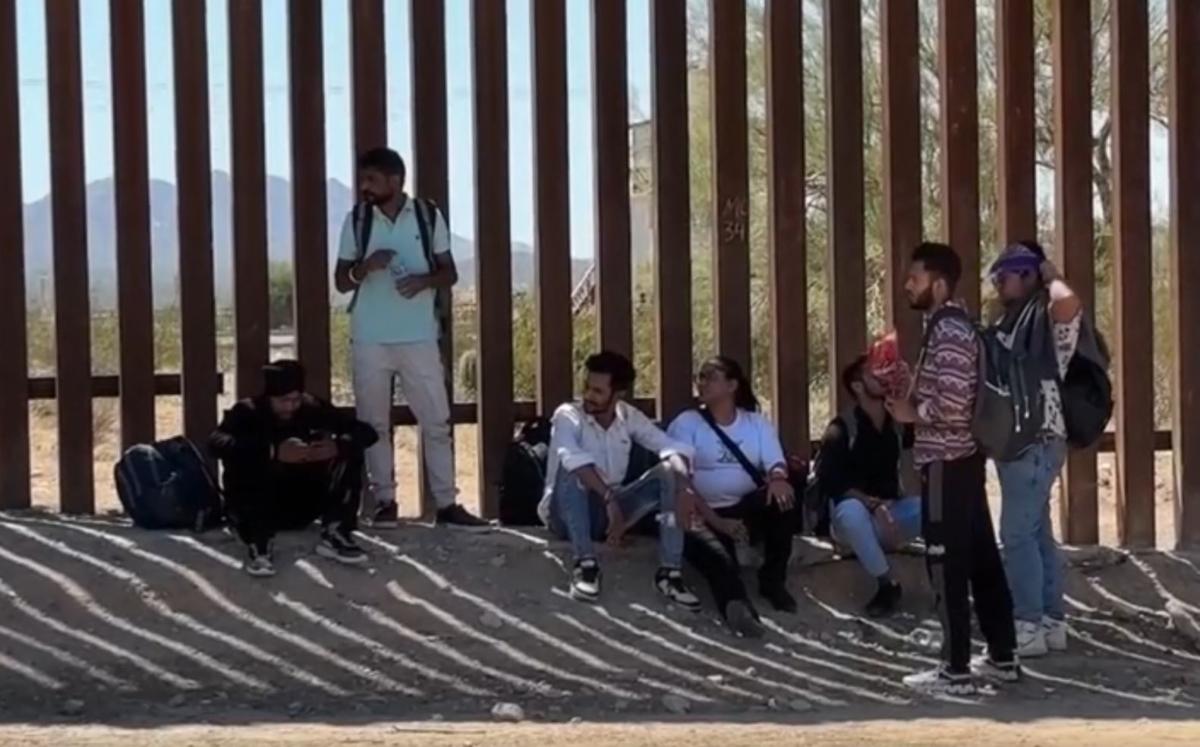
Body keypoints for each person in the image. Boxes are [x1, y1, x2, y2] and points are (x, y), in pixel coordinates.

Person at [886, 242, 1018, 695]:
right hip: (963, 463)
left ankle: (954, 670)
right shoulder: (954, 329)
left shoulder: (949, 332)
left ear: (939, 284)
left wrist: (910, 412)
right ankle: (1002, 656)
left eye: (915, 278)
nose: (908, 285)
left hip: (946, 462)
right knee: (982, 557)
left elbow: (952, 404)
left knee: (945, 564)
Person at [333, 147, 486, 530]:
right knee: (373, 423)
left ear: (395, 181)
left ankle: (447, 504)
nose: (364, 187)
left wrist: (423, 282)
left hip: (418, 337)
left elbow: (449, 274)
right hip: (369, 338)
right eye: (363, 179)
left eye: (372, 179)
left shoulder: (426, 215)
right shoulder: (357, 220)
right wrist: (365, 267)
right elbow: (339, 281)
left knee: (435, 420)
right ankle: (385, 501)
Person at [987, 240, 1086, 658]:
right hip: (1023, 441)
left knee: (1015, 536)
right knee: (1037, 533)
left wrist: (1051, 272)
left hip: (1036, 438)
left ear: (1028, 275)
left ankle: (1027, 624)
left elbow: (1070, 306)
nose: (998, 283)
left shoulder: (1047, 318)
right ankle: (1050, 620)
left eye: (1006, 275)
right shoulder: (1010, 322)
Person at [539, 351, 700, 608]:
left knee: (670, 471)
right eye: (587, 388)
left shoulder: (628, 416)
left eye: (598, 391)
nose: (589, 396)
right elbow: (571, 459)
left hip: (610, 512)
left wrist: (684, 487)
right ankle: (586, 565)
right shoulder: (567, 415)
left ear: (618, 395)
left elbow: (671, 447)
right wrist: (609, 498)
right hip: (567, 514)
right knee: (573, 469)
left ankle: (670, 573)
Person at [667, 357, 800, 638]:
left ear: (732, 385)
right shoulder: (687, 423)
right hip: (701, 511)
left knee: (782, 498)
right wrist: (716, 521)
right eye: (699, 377)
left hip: (744, 508)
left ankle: (773, 581)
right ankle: (738, 608)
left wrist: (777, 480)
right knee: (717, 558)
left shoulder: (756, 424)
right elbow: (682, 481)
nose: (702, 383)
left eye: (710, 377)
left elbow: (775, 462)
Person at [209, 360, 378, 577]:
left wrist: (336, 446)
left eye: (295, 400)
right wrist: (272, 452)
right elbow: (215, 443)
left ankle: (337, 531)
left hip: (303, 502)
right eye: (283, 401)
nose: (290, 406)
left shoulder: (312, 408)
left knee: (349, 451)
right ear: (270, 397)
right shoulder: (247, 411)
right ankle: (258, 546)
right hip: (257, 506)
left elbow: (365, 432)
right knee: (247, 461)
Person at [821, 355, 921, 618]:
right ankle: (887, 584)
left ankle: (952, 584)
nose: (883, 377)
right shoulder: (841, 428)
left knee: (933, 508)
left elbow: (925, 428)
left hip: (890, 515)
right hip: (853, 518)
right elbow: (831, 482)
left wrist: (908, 383)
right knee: (851, 512)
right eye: (874, 374)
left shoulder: (897, 424)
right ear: (857, 386)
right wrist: (872, 504)